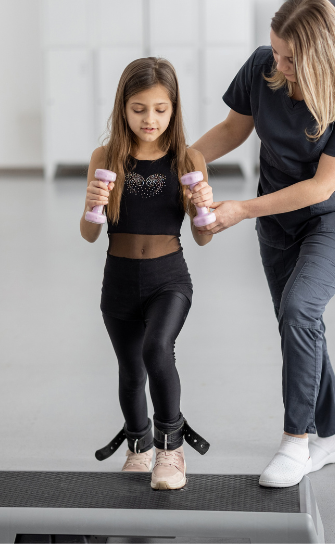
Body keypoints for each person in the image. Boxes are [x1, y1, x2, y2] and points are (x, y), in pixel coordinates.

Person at [190, 0, 335, 488]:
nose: (279, 64)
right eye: (276, 51)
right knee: (298, 321)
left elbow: (321, 187)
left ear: (321, 56)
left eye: (291, 58)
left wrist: (240, 210)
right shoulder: (263, 68)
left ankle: (297, 442)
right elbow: (233, 129)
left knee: (299, 311)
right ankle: (331, 435)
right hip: (278, 220)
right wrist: (187, 159)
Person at [81, 57, 213, 490]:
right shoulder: (106, 157)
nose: (150, 119)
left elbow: (203, 238)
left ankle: (170, 450)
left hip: (169, 278)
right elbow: (88, 233)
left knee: (158, 348)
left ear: (173, 109)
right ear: (123, 107)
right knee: (130, 370)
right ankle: (137, 448)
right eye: (139, 109)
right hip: (118, 280)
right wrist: (92, 201)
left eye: (160, 109)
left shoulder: (187, 158)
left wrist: (201, 207)